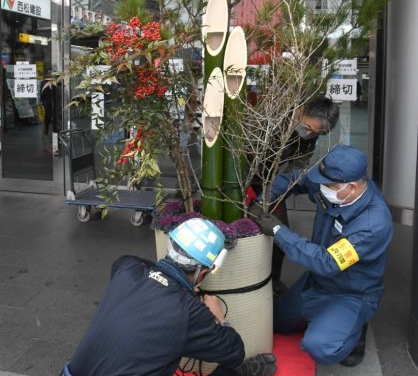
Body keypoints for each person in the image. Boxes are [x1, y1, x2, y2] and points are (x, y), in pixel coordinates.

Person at [62, 218, 277, 376]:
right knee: (229, 371)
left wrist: (157, 282)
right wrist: (219, 317)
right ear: (202, 273)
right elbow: (234, 351)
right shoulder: (189, 313)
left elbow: (129, 263)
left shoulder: (128, 269)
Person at [249, 145, 393, 367]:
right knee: (275, 321)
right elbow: (295, 179)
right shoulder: (335, 182)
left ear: (352, 187)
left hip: (351, 294)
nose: (322, 187)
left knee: (320, 346)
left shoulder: (373, 224)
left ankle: (354, 330)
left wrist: (278, 230)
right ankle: (328, 320)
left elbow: (328, 261)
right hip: (316, 282)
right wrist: (265, 198)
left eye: (328, 185)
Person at [255, 97, 340, 294]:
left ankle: (272, 281)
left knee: (278, 229)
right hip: (250, 178)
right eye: (307, 127)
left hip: (274, 184)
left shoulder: (310, 135)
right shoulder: (272, 119)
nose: (309, 134)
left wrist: (279, 188)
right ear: (301, 110)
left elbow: (296, 168)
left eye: (316, 133)